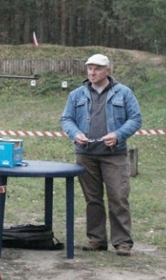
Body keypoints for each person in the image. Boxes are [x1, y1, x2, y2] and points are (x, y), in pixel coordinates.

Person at [60, 54, 142, 256]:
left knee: (118, 196)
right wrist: (75, 133)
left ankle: (122, 242)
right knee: (92, 199)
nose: (92, 72)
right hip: (86, 154)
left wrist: (118, 134)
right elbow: (66, 119)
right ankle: (96, 239)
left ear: (108, 71)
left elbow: (135, 119)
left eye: (97, 69)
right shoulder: (76, 95)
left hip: (114, 155)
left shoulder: (124, 93)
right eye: (89, 68)